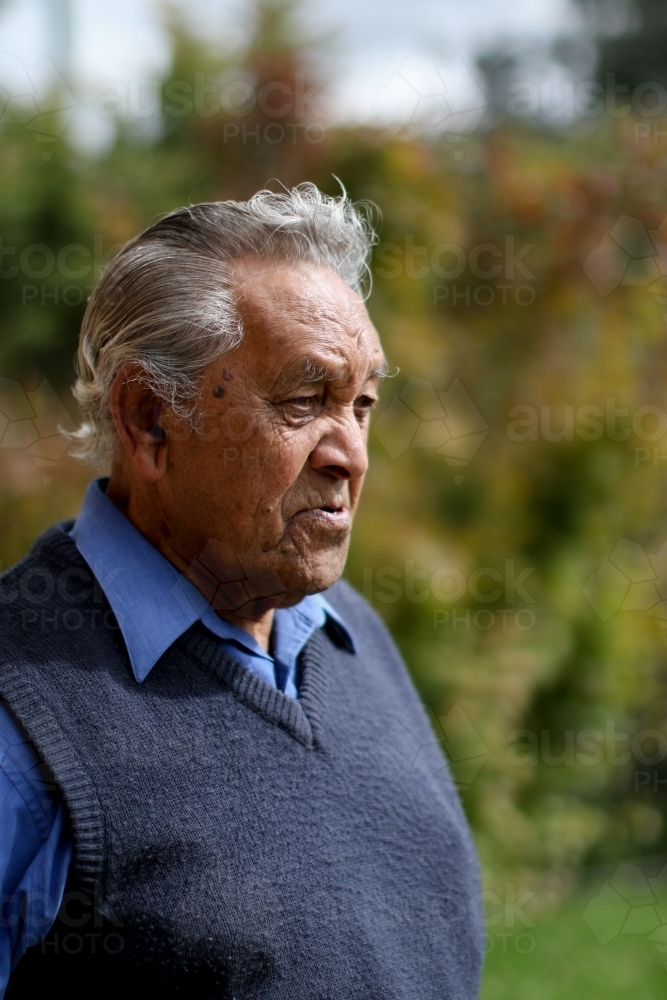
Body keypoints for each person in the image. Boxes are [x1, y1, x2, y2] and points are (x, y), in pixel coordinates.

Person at [0, 184, 483, 998]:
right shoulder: (24, 708)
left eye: (361, 405)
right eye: (304, 401)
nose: (351, 456)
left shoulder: (349, 638)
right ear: (149, 420)